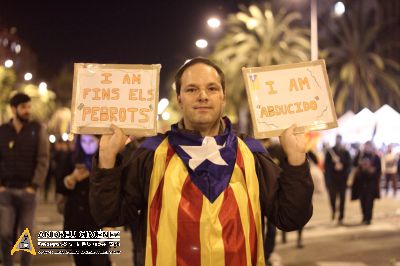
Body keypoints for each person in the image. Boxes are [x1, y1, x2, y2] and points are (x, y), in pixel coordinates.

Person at [90, 58, 314, 266]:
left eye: (212, 88)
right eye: (191, 89)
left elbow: (290, 218)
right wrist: (107, 159)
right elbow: (110, 215)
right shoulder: (151, 153)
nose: (203, 96)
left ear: (223, 96)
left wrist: (296, 160)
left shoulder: (251, 152)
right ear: (179, 98)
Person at [0, 93, 50, 266]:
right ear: (14, 109)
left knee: (26, 235)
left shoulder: (37, 129)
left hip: (28, 191)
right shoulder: (3, 131)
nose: (27, 110)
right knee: (5, 233)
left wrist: (34, 185)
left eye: (29, 106)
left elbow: (43, 159)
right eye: (23, 107)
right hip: (6, 192)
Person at [56, 135, 111, 266]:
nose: (87, 145)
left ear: (99, 141)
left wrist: (110, 223)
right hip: (76, 222)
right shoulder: (71, 159)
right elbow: (59, 186)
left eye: (91, 141)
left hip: (98, 224)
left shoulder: (107, 160)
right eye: (84, 141)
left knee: (99, 261)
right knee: (81, 261)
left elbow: (112, 192)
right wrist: (72, 179)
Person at [351, 141, 381, 225]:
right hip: (361, 182)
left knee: (369, 201)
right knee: (362, 200)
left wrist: (372, 170)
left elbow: (378, 170)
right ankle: (364, 216)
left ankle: (368, 218)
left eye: (369, 146)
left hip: (371, 183)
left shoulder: (375, 157)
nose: (367, 148)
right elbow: (354, 164)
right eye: (366, 146)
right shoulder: (360, 155)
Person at [324, 134, 351, 224]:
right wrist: (333, 164)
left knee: (342, 198)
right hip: (333, 180)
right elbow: (326, 166)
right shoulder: (330, 152)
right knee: (332, 198)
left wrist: (342, 164)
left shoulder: (345, 152)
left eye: (339, 139)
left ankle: (341, 216)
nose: (338, 141)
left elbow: (349, 164)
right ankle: (334, 211)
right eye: (336, 139)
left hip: (342, 180)